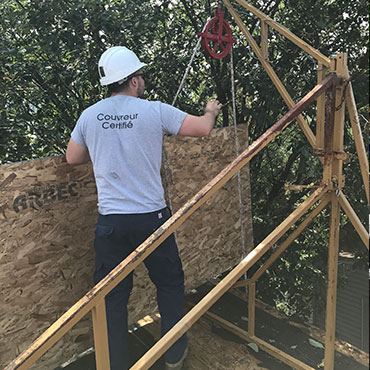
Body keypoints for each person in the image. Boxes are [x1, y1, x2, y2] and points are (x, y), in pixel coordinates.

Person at [66, 46, 222, 370]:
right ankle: (174, 355)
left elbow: (73, 158)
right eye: (141, 75)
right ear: (133, 81)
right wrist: (210, 110)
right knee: (168, 284)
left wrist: (105, 146)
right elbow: (203, 129)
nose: (143, 80)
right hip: (153, 221)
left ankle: (115, 365)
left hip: (110, 224)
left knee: (112, 299)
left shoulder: (89, 116)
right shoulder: (154, 111)